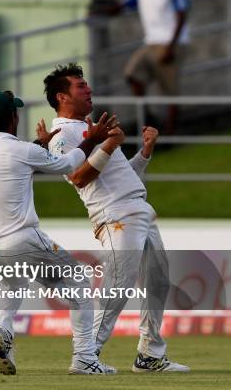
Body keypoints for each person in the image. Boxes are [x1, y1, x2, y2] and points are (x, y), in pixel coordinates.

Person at [43, 63, 189, 372]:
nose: (89, 89)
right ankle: (87, 355)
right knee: (117, 287)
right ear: (62, 97)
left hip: (139, 210)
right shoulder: (60, 136)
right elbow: (79, 178)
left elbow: (124, 178)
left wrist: (145, 152)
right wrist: (109, 143)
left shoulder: (91, 127)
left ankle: (149, 355)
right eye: (80, 86)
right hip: (115, 216)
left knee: (158, 282)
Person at [0, 90, 121, 375]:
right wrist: (92, 139)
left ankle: (2, 336)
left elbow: (10, 160)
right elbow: (66, 165)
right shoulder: (23, 150)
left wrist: (40, 145)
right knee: (79, 282)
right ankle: (85, 359)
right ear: (12, 118)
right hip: (23, 239)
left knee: (11, 287)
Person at [95, 0, 190, 134]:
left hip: (170, 43)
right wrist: (97, 10)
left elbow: (182, 14)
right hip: (151, 42)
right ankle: (148, 117)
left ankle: (171, 133)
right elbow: (122, 6)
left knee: (169, 89)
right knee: (132, 74)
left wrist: (171, 47)